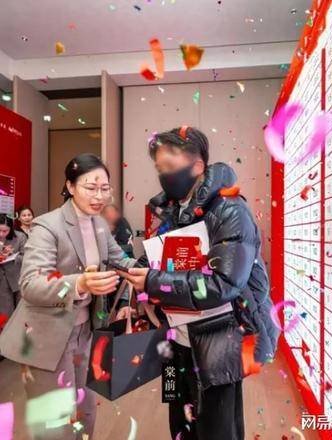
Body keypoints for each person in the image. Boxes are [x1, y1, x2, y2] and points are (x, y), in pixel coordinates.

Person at [119, 127, 279, 440]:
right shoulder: (171, 211)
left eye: (170, 166)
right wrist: (132, 285)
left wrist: (153, 282)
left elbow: (223, 282)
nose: (164, 175)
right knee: (179, 426)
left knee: (216, 430)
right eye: (159, 168)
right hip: (174, 342)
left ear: (198, 165)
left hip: (217, 344)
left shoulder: (230, 210)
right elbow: (154, 260)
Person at [0, 153, 137, 440]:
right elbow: (31, 284)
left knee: (85, 411)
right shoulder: (47, 226)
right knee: (55, 423)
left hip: (85, 332)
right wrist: (80, 284)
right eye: (91, 187)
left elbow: (120, 259)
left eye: (104, 188)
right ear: (70, 186)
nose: (99, 196)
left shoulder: (99, 224)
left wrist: (152, 271)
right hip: (46, 335)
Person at [0, 213, 27, 316]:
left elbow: (27, 256)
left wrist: (12, 256)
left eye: (5, 231)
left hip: (18, 275)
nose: (1, 234)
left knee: (21, 310)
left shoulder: (20, 237)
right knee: (3, 310)